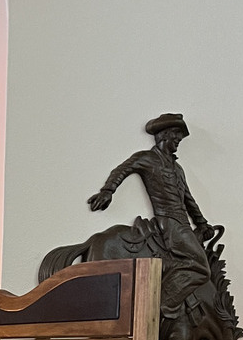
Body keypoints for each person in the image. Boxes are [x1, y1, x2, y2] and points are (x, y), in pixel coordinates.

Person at [87, 112, 215, 313]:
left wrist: (202, 223)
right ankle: (159, 304)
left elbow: (188, 198)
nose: (178, 139)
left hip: (183, 223)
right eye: (176, 135)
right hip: (169, 222)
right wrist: (107, 191)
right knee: (201, 268)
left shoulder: (178, 168)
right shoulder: (147, 158)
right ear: (164, 135)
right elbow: (123, 169)